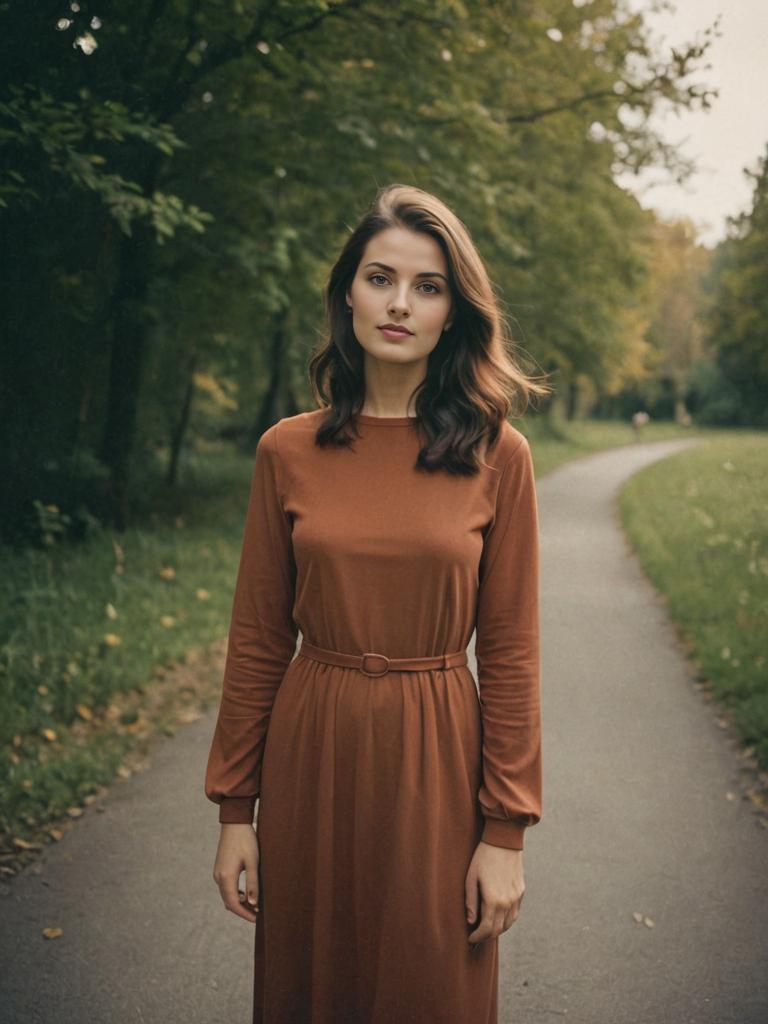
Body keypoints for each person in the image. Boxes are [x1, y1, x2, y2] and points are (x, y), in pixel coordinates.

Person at [204, 183, 550, 1023]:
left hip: (438, 752)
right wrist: (235, 812)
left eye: (427, 287)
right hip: (312, 742)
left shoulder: (499, 455)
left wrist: (504, 834)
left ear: (453, 312)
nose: (400, 304)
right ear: (347, 295)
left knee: (432, 990)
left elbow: (510, 653)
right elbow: (256, 640)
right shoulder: (286, 451)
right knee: (310, 987)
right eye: (379, 278)